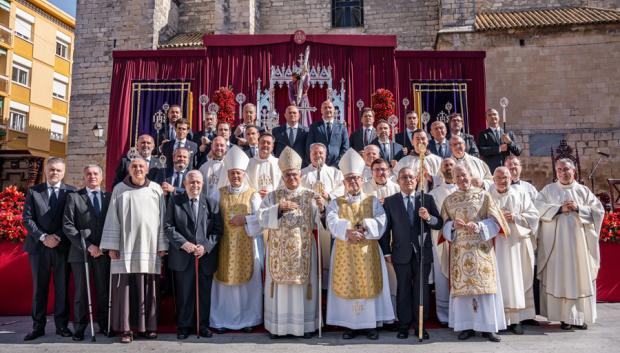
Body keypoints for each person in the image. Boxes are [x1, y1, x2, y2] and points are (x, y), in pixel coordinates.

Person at [325, 149, 394, 340]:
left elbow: (381, 220)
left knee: (368, 283)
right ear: (344, 182)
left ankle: (370, 325)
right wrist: (347, 230)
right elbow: (331, 221)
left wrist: (364, 228)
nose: (353, 182)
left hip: (367, 250)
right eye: (349, 179)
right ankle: (351, 325)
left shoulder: (372, 200)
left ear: (362, 180)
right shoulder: (336, 202)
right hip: (344, 251)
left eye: (356, 178)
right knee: (349, 284)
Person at [257, 146, 325, 338]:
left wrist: (321, 208)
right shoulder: (273, 196)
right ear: (283, 176)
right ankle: (278, 328)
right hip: (279, 251)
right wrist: (278, 208)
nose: (291, 178)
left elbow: (321, 222)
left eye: (295, 174)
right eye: (287, 175)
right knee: (281, 289)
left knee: (302, 288)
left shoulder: (310, 195)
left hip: (303, 250)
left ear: (300, 175)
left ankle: (304, 327)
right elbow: (260, 217)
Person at [100, 158, 168, 343]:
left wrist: (162, 245)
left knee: (149, 288)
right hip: (125, 247)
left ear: (147, 169)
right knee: (125, 290)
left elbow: (163, 217)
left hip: (150, 246)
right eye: (134, 167)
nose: (138, 169)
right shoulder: (119, 189)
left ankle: (149, 327)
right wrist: (112, 245)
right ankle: (126, 329)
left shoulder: (155, 189)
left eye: (141, 167)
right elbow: (112, 217)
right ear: (129, 170)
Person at [441, 164, 509, 342]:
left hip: (481, 249)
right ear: (453, 180)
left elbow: (497, 223)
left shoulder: (484, 196)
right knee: (464, 292)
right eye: (457, 177)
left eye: (463, 175)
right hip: (460, 251)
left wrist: (479, 226)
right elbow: (444, 228)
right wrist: (452, 226)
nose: (461, 179)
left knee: (484, 290)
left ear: (470, 175)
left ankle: (488, 328)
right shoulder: (449, 201)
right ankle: (466, 326)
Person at [535, 158, 604, 330]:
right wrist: (559, 209)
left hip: (580, 246)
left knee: (580, 278)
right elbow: (537, 208)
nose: (562, 173)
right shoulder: (548, 190)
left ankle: (580, 317)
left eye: (566, 169)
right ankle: (564, 318)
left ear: (573, 171)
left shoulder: (583, 191)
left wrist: (579, 208)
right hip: (557, 247)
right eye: (559, 170)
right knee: (562, 279)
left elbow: (599, 211)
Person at [381, 167, 443, 339]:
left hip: (422, 253)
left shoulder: (427, 199)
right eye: (403, 177)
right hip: (400, 253)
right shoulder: (390, 201)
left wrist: (429, 218)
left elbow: (439, 223)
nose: (408, 180)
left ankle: (420, 325)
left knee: (421, 290)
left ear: (416, 180)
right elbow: (386, 230)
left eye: (411, 177)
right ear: (398, 181)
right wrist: (386, 251)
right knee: (403, 290)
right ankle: (403, 325)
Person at [209, 146, 264, 333]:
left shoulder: (253, 194)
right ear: (228, 173)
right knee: (224, 285)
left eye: (238, 173)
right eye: (232, 173)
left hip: (247, 244)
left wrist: (246, 220)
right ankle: (222, 321)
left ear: (243, 173)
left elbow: (262, 218)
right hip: (224, 244)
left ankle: (248, 320)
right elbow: (212, 216)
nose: (235, 177)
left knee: (246, 286)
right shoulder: (219, 192)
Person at [165, 170, 223, 339]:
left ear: (202, 184)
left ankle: (203, 325)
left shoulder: (212, 203)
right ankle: (184, 326)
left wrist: (205, 247)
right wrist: (184, 244)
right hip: (183, 256)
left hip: (204, 257)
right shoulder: (175, 202)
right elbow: (168, 227)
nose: (195, 185)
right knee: (184, 293)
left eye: (198, 182)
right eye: (191, 182)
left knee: (204, 294)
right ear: (185, 184)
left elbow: (218, 230)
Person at [23, 158, 76, 341]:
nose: (54, 173)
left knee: (62, 287)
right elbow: (27, 219)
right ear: (46, 171)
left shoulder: (71, 192)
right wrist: (44, 237)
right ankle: (38, 327)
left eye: (58, 170)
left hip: (62, 247)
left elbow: (72, 220)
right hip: (38, 248)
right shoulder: (34, 192)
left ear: (63, 172)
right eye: (51, 170)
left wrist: (57, 237)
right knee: (40, 288)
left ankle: (62, 326)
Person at [63, 165, 111, 341]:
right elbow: (68, 225)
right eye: (88, 174)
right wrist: (89, 246)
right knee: (81, 293)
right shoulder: (74, 197)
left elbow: (113, 225)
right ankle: (80, 328)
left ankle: (104, 324)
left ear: (102, 176)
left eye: (96, 173)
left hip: (103, 253)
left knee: (103, 290)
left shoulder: (109, 197)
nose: (92, 176)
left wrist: (103, 247)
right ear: (84, 177)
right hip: (80, 252)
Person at [490, 167, 539, 335]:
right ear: (493, 179)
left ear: (511, 178)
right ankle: (500, 319)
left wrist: (515, 217)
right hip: (496, 245)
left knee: (517, 280)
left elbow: (534, 216)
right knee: (500, 282)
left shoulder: (521, 194)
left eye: (505, 177)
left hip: (516, 244)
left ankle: (516, 319)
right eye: (499, 178)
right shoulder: (487, 195)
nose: (502, 181)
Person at [301, 142, 345, 284]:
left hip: (329, 219)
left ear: (325, 155)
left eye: (320, 153)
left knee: (328, 254)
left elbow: (342, 190)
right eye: (314, 153)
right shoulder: (302, 173)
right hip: (310, 221)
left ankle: (328, 287)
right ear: (310, 155)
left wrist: (329, 195)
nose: (318, 156)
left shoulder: (335, 172)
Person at [427, 158, 458, 325]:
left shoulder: (466, 189)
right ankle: (444, 315)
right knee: (442, 277)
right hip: (441, 239)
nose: (448, 168)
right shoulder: (434, 194)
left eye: (451, 165)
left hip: (464, 240)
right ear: (440, 170)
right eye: (445, 165)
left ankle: (463, 313)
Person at [306, 100, 350, 167]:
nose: (327, 109)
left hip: (338, 167)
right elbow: (310, 146)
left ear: (334, 110)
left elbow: (345, 147)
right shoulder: (314, 127)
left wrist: (337, 164)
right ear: (321, 110)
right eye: (325, 108)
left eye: (330, 107)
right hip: (319, 166)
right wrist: (316, 162)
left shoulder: (342, 127)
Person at [246, 133, 281, 198]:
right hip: (254, 201)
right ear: (258, 144)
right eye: (263, 142)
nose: (265, 145)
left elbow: (283, 185)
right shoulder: (248, 163)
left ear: (272, 147)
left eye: (268, 143)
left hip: (274, 202)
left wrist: (272, 194)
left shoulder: (279, 163)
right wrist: (256, 194)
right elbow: (245, 184)